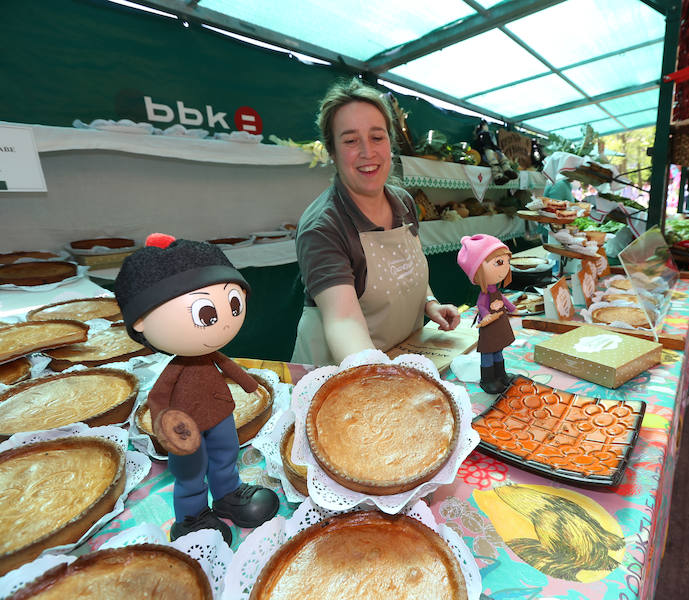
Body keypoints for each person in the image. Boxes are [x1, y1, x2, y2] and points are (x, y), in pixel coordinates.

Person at [115, 234, 280, 543]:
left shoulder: (210, 355)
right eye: (207, 314)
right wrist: (167, 425)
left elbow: (231, 368)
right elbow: (157, 399)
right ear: (140, 322)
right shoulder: (175, 368)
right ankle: (192, 516)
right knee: (190, 473)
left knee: (226, 457)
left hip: (220, 416)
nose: (226, 324)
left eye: (233, 305)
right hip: (185, 431)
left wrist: (250, 384)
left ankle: (228, 495)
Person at [292, 79, 460, 365]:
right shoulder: (323, 227)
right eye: (350, 140)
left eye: (377, 137)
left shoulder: (404, 203)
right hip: (342, 376)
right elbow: (344, 322)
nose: (367, 152)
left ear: (390, 143)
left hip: (401, 355)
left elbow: (408, 268)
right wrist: (378, 378)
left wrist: (429, 303)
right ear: (332, 152)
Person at [458, 234, 518, 394]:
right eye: (499, 262)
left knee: (498, 350)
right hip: (489, 328)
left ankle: (501, 375)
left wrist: (512, 307)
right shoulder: (484, 295)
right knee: (488, 353)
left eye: (506, 262)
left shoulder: (495, 290)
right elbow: (481, 306)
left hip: (499, 326)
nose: (505, 268)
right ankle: (488, 379)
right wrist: (486, 316)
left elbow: (503, 299)